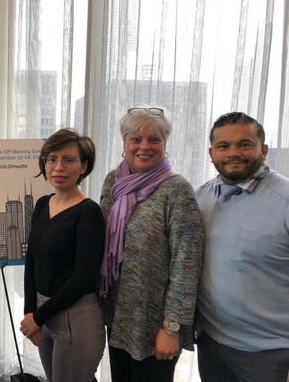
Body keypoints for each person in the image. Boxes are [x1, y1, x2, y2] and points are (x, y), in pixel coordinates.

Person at [99, 107, 204, 382]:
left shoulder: (176, 189)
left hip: (156, 322)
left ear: (165, 145)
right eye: (136, 139)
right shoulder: (114, 181)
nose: (144, 146)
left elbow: (187, 262)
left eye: (154, 140)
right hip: (118, 316)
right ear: (124, 143)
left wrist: (171, 327)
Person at [195, 112, 289, 382]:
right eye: (224, 146)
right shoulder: (200, 198)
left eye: (244, 144)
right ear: (211, 153)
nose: (233, 153)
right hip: (212, 345)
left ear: (264, 149)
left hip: (272, 355)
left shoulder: (285, 200)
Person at [20, 128, 106, 382]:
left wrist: (38, 317)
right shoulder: (42, 204)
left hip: (76, 317)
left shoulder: (88, 212)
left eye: (69, 160)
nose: (58, 167)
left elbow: (84, 278)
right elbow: (32, 260)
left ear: (83, 166)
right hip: (43, 313)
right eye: (52, 159)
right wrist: (29, 311)